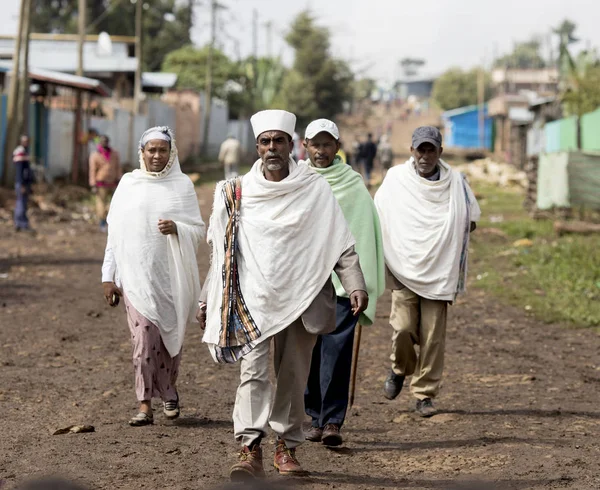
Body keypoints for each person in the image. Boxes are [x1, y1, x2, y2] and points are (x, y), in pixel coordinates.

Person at [199, 110, 368, 480]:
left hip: (303, 295)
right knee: (253, 373)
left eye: (279, 140)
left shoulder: (314, 188)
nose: (271, 148)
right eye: (265, 141)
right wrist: (206, 297)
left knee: (293, 375)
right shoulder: (238, 192)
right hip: (252, 299)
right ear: (257, 146)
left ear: (292, 145)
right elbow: (224, 253)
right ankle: (250, 448)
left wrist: (354, 283)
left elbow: (340, 242)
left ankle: (286, 447)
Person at [101, 126, 205, 426]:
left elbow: (198, 229)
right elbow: (115, 235)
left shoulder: (182, 185)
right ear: (142, 153)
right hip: (135, 278)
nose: (157, 155)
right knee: (144, 340)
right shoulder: (128, 184)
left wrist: (178, 229)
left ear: (171, 153)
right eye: (151, 150)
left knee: (169, 340)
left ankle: (169, 391)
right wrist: (108, 276)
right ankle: (144, 404)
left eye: (163, 150)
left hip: (170, 279)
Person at [374, 126, 480, 417]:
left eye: (431, 149)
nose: (425, 155)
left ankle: (424, 394)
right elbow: (378, 214)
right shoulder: (397, 179)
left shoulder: (456, 183)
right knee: (404, 328)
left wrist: (448, 234)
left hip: (439, 271)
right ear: (412, 151)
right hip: (404, 267)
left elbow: (471, 219)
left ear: (439, 152)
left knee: (433, 336)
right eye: (420, 149)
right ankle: (399, 369)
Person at [300, 119, 385, 446]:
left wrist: (359, 284)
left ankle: (333, 421)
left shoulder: (352, 184)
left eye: (327, 144)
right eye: (315, 145)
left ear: (338, 147)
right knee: (309, 353)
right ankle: (314, 415)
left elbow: (364, 231)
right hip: (305, 284)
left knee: (336, 353)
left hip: (341, 286)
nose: (321, 151)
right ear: (305, 146)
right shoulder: (298, 181)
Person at [89, 135, 121, 232]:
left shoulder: (114, 154)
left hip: (113, 182)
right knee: (101, 204)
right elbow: (92, 170)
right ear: (100, 142)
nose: (104, 143)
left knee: (114, 204)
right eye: (102, 141)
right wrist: (93, 184)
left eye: (106, 141)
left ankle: (112, 222)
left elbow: (118, 167)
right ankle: (102, 222)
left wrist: (120, 179)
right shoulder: (95, 155)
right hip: (101, 183)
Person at [13, 135, 35, 232]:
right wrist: (21, 184)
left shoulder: (24, 152)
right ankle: (22, 223)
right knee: (21, 203)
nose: (26, 143)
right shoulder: (20, 153)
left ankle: (20, 223)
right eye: (24, 141)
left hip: (24, 183)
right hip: (21, 183)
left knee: (21, 203)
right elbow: (19, 171)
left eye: (27, 141)